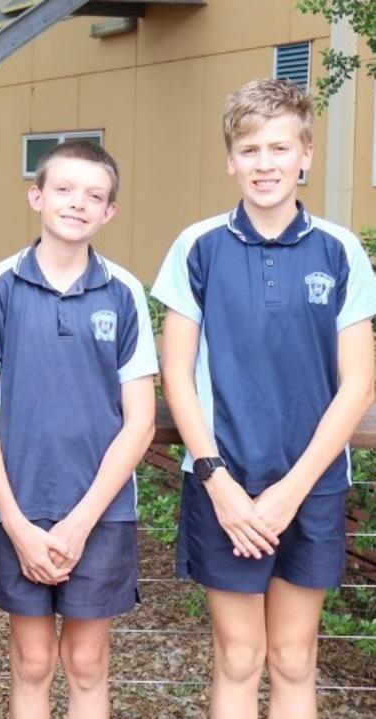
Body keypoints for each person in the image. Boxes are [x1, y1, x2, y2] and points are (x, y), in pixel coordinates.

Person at [152, 78, 376, 719]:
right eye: (250, 150)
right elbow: (177, 371)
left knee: (295, 657)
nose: (265, 163)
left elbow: (358, 384)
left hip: (311, 486)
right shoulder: (198, 247)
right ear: (230, 160)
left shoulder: (341, 253)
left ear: (305, 153)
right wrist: (219, 481)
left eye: (280, 148)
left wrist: (291, 490)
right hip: (227, 484)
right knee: (239, 657)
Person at [0, 140, 157, 718]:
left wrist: (80, 521)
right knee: (33, 659)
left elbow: (140, 419)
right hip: (17, 506)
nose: (77, 204)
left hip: (101, 510)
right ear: (37, 195)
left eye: (94, 195)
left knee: (88, 663)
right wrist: (16, 522)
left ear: (109, 211)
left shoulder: (123, 293)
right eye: (64, 190)